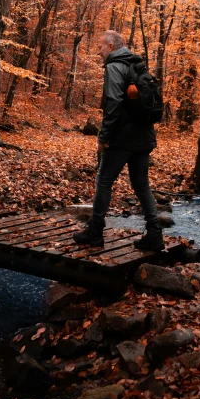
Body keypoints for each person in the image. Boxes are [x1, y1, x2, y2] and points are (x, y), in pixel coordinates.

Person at [73, 30, 164, 251]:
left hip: (123, 138)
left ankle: (95, 231)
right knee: (141, 184)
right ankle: (155, 233)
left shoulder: (115, 67)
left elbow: (113, 102)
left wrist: (104, 137)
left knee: (103, 182)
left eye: (101, 46)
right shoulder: (136, 66)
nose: (99, 50)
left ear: (111, 47)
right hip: (144, 137)